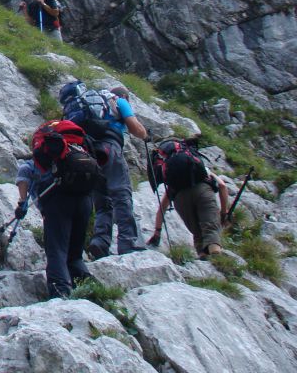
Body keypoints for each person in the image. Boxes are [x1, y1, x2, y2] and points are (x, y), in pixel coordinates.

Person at [16, 155, 92, 298]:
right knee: (75, 255)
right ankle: (89, 290)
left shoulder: (28, 167)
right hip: (84, 201)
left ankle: (60, 291)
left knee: (57, 250)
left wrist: (21, 205)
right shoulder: (64, 162)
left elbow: (23, 197)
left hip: (57, 204)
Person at [87, 86, 148, 259]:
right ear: (125, 96)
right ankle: (128, 242)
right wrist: (145, 135)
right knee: (121, 193)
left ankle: (100, 241)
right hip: (110, 149)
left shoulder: (96, 105)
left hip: (90, 152)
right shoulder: (120, 101)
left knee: (102, 199)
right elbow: (135, 128)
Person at [147, 144, 230, 258]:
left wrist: (157, 232)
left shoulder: (173, 181)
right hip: (203, 192)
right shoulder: (199, 167)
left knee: (198, 233)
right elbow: (222, 185)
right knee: (211, 230)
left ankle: (203, 259)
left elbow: (161, 209)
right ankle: (217, 260)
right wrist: (224, 212)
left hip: (180, 200)